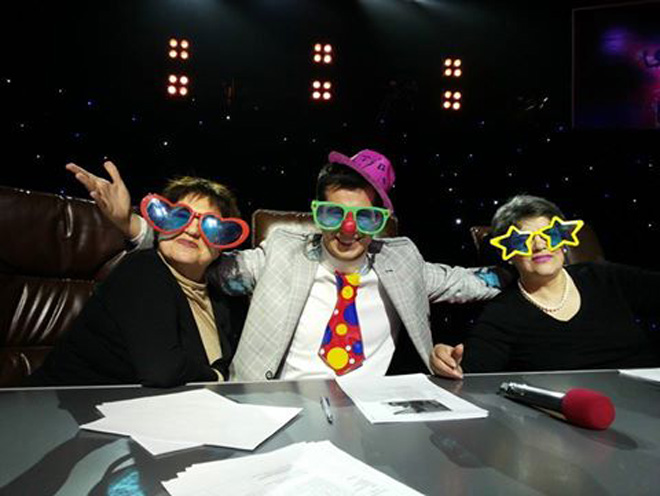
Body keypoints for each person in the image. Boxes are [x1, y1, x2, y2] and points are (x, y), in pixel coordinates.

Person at [68, 151, 504, 382]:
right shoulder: (282, 251)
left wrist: (526, 262)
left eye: (366, 219)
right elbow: (205, 255)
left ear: (381, 223)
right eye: (333, 214)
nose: (348, 230)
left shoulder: (401, 259)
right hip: (275, 404)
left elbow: (464, 282)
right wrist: (132, 225)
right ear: (316, 215)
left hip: (370, 410)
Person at [26, 175, 249, 387]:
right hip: (59, 405)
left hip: (158, 408)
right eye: (179, 217)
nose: (191, 230)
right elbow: (163, 370)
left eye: (210, 226)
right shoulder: (142, 269)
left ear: (222, 245)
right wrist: (217, 375)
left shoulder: (224, 299)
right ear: (160, 226)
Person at [430, 195, 660, 379]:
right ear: (508, 254)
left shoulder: (604, 277)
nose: (540, 246)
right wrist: (445, 361)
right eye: (522, 241)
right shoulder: (503, 313)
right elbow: (469, 376)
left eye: (550, 235)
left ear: (563, 241)